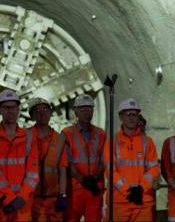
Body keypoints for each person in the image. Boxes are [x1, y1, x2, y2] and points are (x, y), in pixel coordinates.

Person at [0, 90, 39, 221]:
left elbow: (33, 173)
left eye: (14, 107)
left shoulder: (29, 137)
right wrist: (9, 199)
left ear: (18, 109)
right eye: (6, 107)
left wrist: (21, 198)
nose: (11, 111)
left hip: (21, 205)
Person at [104, 98, 160, 221]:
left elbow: (154, 169)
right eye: (128, 114)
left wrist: (141, 188)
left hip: (143, 201)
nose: (131, 118)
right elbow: (110, 170)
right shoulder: (112, 141)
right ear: (121, 116)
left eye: (134, 114)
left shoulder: (147, 141)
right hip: (119, 202)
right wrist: (128, 191)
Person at [61, 94, 106, 222]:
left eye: (90, 108)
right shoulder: (67, 133)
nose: (87, 112)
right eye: (83, 109)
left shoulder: (101, 133)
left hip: (94, 190)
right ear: (75, 111)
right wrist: (82, 179)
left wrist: (96, 177)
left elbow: (105, 158)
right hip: (75, 191)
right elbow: (67, 161)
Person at [28, 97, 68, 221]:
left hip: (53, 201)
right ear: (32, 116)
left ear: (50, 113)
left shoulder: (60, 139)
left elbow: (62, 170)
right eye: (37, 110)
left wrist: (62, 194)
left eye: (45, 109)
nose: (42, 112)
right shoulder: (24, 137)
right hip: (30, 200)